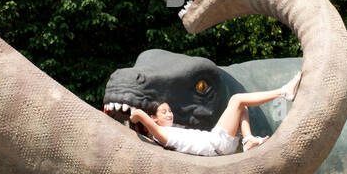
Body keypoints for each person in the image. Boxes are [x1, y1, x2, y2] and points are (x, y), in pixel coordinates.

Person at [128, 71, 301, 157]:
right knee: (237, 100)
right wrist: (137, 115)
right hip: (218, 144)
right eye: (164, 112)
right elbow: (145, 120)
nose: (169, 115)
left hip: (216, 139)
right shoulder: (161, 135)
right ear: (153, 119)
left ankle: (248, 140)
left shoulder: (170, 131)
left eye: (170, 111)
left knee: (241, 107)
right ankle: (283, 92)